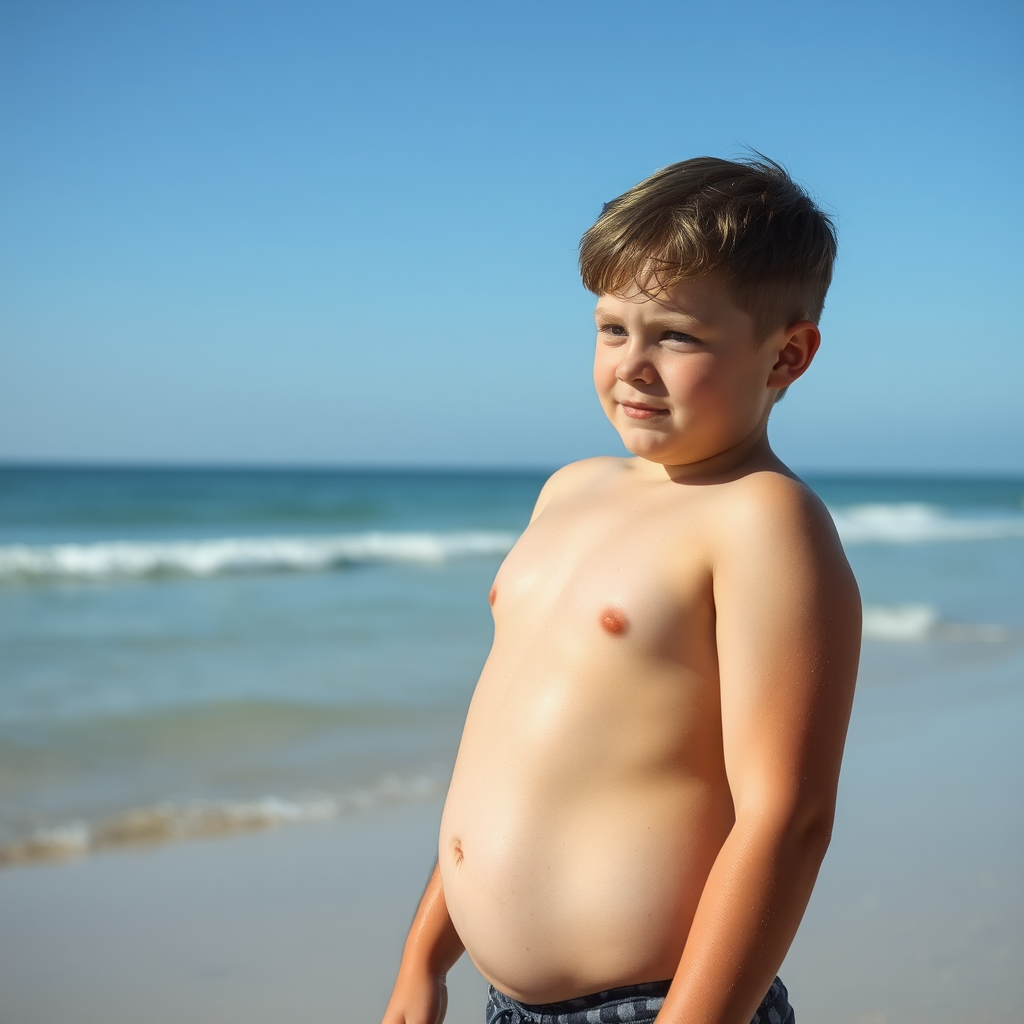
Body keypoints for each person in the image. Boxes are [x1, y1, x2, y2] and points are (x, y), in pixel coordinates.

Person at [381, 155, 861, 1024]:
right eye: (612, 329)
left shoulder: (762, 522)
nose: (633, 365)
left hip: (662, 1004)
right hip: (504, 1004)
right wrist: (423, 959)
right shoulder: (569, 490)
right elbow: (505, 759)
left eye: (676, 336)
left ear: (787, 355)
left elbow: (787, 819)